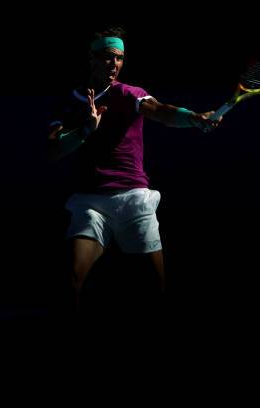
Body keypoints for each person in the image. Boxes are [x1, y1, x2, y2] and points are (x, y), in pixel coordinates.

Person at [47, 26, 220, 310]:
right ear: (91, 58)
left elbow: (162, 112)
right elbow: (52, 152)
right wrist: (85, 131)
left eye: (119, 58)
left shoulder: (130, 94)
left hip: (134, 199)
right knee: (72, 279)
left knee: (155, 287)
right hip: (91, 202)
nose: (113, 64)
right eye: (106, 57)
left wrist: (194, 118)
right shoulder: (69, 102)